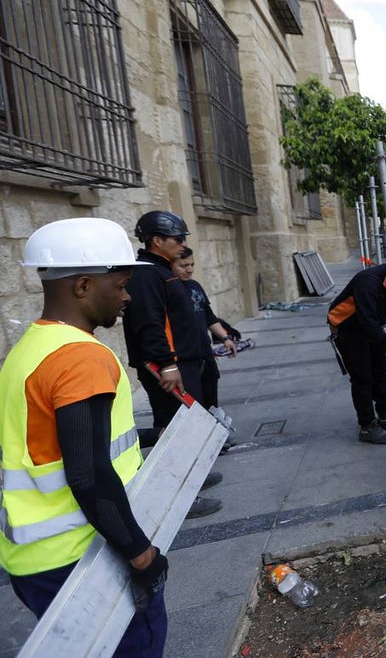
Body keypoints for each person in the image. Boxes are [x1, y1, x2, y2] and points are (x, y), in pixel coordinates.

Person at [1, 218, 169, 656]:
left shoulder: (29, 349)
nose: (127, 296)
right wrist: (142, 555)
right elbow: (89, 473)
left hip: (33, 558)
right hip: (82, 554)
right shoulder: (81, 358)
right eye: (121, 285)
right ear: (82, 286)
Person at [121, 210, 221, 519]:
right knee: (174, 428)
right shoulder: (147, 274)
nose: (182, 244)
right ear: (156, 241)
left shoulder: (160, 270)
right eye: (177, 239)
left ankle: (191, 479)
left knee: (186, 424)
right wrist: (166, 364)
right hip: (168, 366)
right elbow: (149, 323)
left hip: (184, 361)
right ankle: (178, 495)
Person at [327, 261, 386, 444]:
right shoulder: (368, 282)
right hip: (348, 329)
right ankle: (367, 426)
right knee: (362, 377)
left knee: (379, 371)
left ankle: (385, 413)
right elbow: (367, 321)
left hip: (370, 326)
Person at [171, 247, 236, 419]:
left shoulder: (195, 286)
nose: (190, 269)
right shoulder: (169, 289)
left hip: (205, 355)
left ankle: (217, 436)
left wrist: (226, 338)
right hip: (185, 360)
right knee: (193, 406)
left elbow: (209, 316)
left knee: (211, 402)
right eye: (183, 265)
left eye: (192, 264)